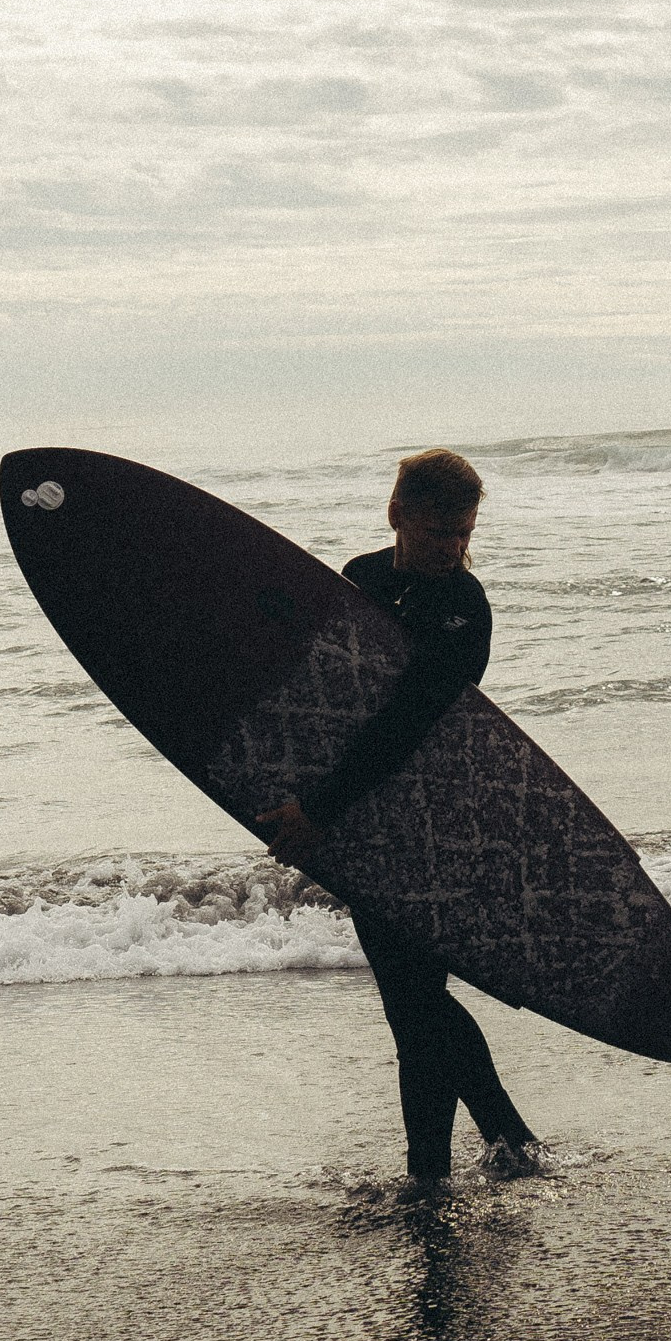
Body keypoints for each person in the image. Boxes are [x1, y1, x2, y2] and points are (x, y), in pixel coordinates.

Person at [255, 448, 539, 1183]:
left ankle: (439, 1168)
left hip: (434, 823)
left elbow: (409, 721)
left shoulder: (464, 609)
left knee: (417, 1004)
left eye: (464, 533)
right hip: (362, 823)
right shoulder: (362, 579)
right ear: (398, 514)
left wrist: (317, 809)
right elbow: (326, 705)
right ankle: (494, 1141)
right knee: (415, 1003)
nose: (453, 548)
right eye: (439, 532)